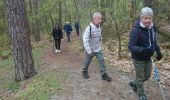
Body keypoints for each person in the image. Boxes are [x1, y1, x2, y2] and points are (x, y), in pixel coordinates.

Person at [128, 7, 162, 100]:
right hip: (138, 58)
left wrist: (158, 52)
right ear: (141, 18)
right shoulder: (136, 30)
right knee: (140, 77)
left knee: (147, 76)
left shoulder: (152, 27)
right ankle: (140, 93)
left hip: (148, 57)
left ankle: (134, 83)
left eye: (149, 18)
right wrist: (143, 50)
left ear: (152, 18)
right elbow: (130, 46)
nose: (147, 20)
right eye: (145, 18)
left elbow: (154, 41)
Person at [82, 12, 112, 82]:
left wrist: (100, 45)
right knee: (87, 62)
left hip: (98, 49)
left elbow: (99, 37)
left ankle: (103, 74)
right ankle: (84, 71)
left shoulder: (99, 27)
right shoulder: (89, 28)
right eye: (99, 18)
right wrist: (88, 50)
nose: (100, 20)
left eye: (101, 18)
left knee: (101, 60)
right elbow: (85, 39)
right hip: (90, 49)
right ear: (94, 19)